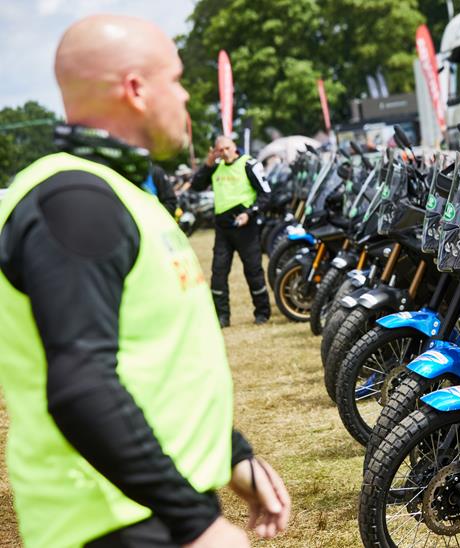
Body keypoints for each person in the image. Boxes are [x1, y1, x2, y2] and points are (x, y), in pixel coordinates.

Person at [0, 15, 290, 548]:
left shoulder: (118, 193)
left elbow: (157, 362)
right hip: (115, 521)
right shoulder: (77, 203)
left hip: (144, 505)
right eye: (176, 80)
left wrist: (232, 457)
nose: (184, 98)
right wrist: (194, 522)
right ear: (135, 88)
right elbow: (81, 385)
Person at [191, 136, 271, 327]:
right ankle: (222, 316)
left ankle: (262, 312)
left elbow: (266, 195)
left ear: (234, 147)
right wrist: (207, 165)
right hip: (223, 228)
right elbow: (196, 186)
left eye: (227, 148)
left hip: (245, 226)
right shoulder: (215, 167)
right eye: (220, 150)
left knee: (253, 271)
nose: (225, 153)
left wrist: (249, 214)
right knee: (218, 273)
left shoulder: (248, 164)